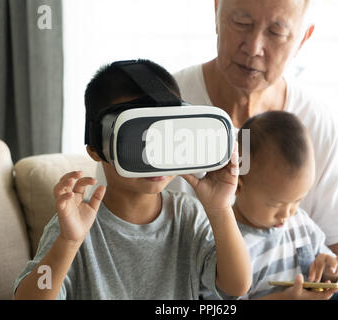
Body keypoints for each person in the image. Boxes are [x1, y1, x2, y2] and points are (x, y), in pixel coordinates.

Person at [166, 0, 338, 299]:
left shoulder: (313, 122)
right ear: (216, 11)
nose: (254, 47)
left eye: (276, 32)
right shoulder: (163, 114)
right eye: (242, 23)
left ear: (302, 39)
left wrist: (331, 270)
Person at [13, 60, 252, 299]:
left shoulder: (187, 214)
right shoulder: (75, 225)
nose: (153, 157)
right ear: (96, 148)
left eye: (165, 139)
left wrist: (220, 208)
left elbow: (237, 285)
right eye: (138, 140)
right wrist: (68, 242)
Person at [202, 111, 338, 300]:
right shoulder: (225, 244)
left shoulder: (300, 224)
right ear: (238, 186)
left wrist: (332, 271)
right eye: (276, 204)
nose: (287, 213)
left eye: (297, 200)